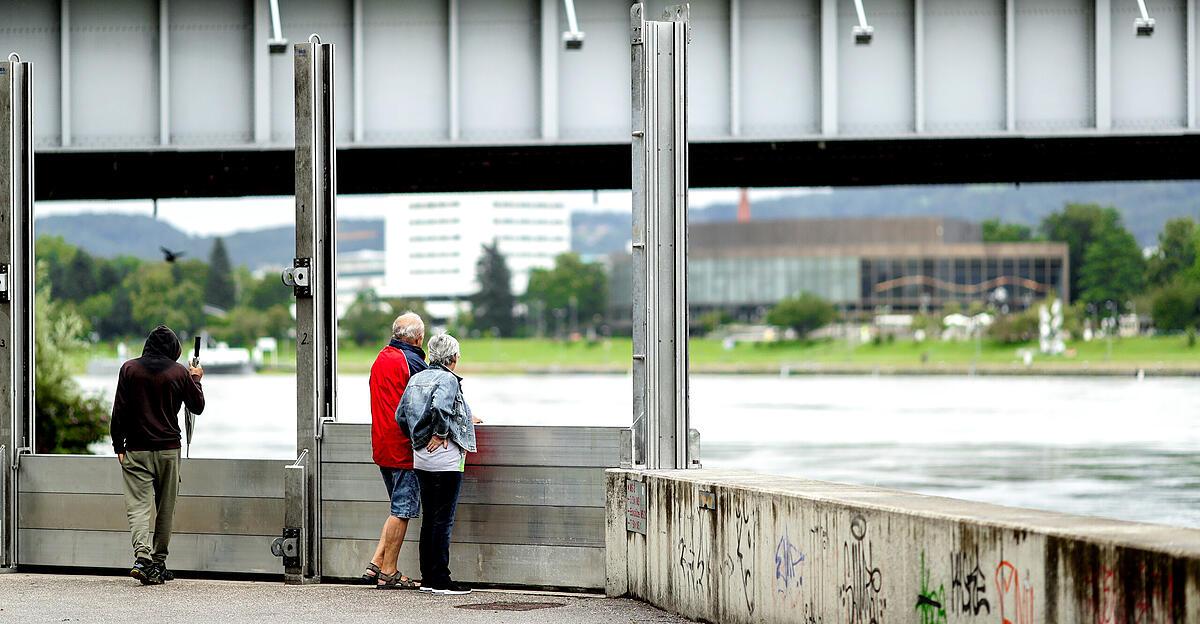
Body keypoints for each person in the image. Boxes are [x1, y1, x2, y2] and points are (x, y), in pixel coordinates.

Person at [110, 325, 204, 585]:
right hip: (168, 450)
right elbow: (197, 406)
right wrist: (195, 378)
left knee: (138, 508)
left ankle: (143, 558)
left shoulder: (129, 369)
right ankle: (158, 562)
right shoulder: (179, 373)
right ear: (173, 349)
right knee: (166, 508)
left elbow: (119, 409)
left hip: (136, 449)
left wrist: (118, 444)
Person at [399, 333, 479, 596]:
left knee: (429, 519)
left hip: (421, 458)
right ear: (453, 358)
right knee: (443, 520)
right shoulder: (448, 379)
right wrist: (440, 433)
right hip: (445, 460)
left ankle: (428, 578)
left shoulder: (417, 378)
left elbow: (401, 415)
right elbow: (441, 408)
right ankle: (442, 580)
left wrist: (417, 438)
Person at [363, 312, 427, 589]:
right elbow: (429, 400)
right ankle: (389, 571)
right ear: (418, 338)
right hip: (403, 448)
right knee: (402, 510)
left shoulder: (381, 357)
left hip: (381, 444)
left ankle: (376, 562)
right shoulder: (413, 362)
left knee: (395, 508)